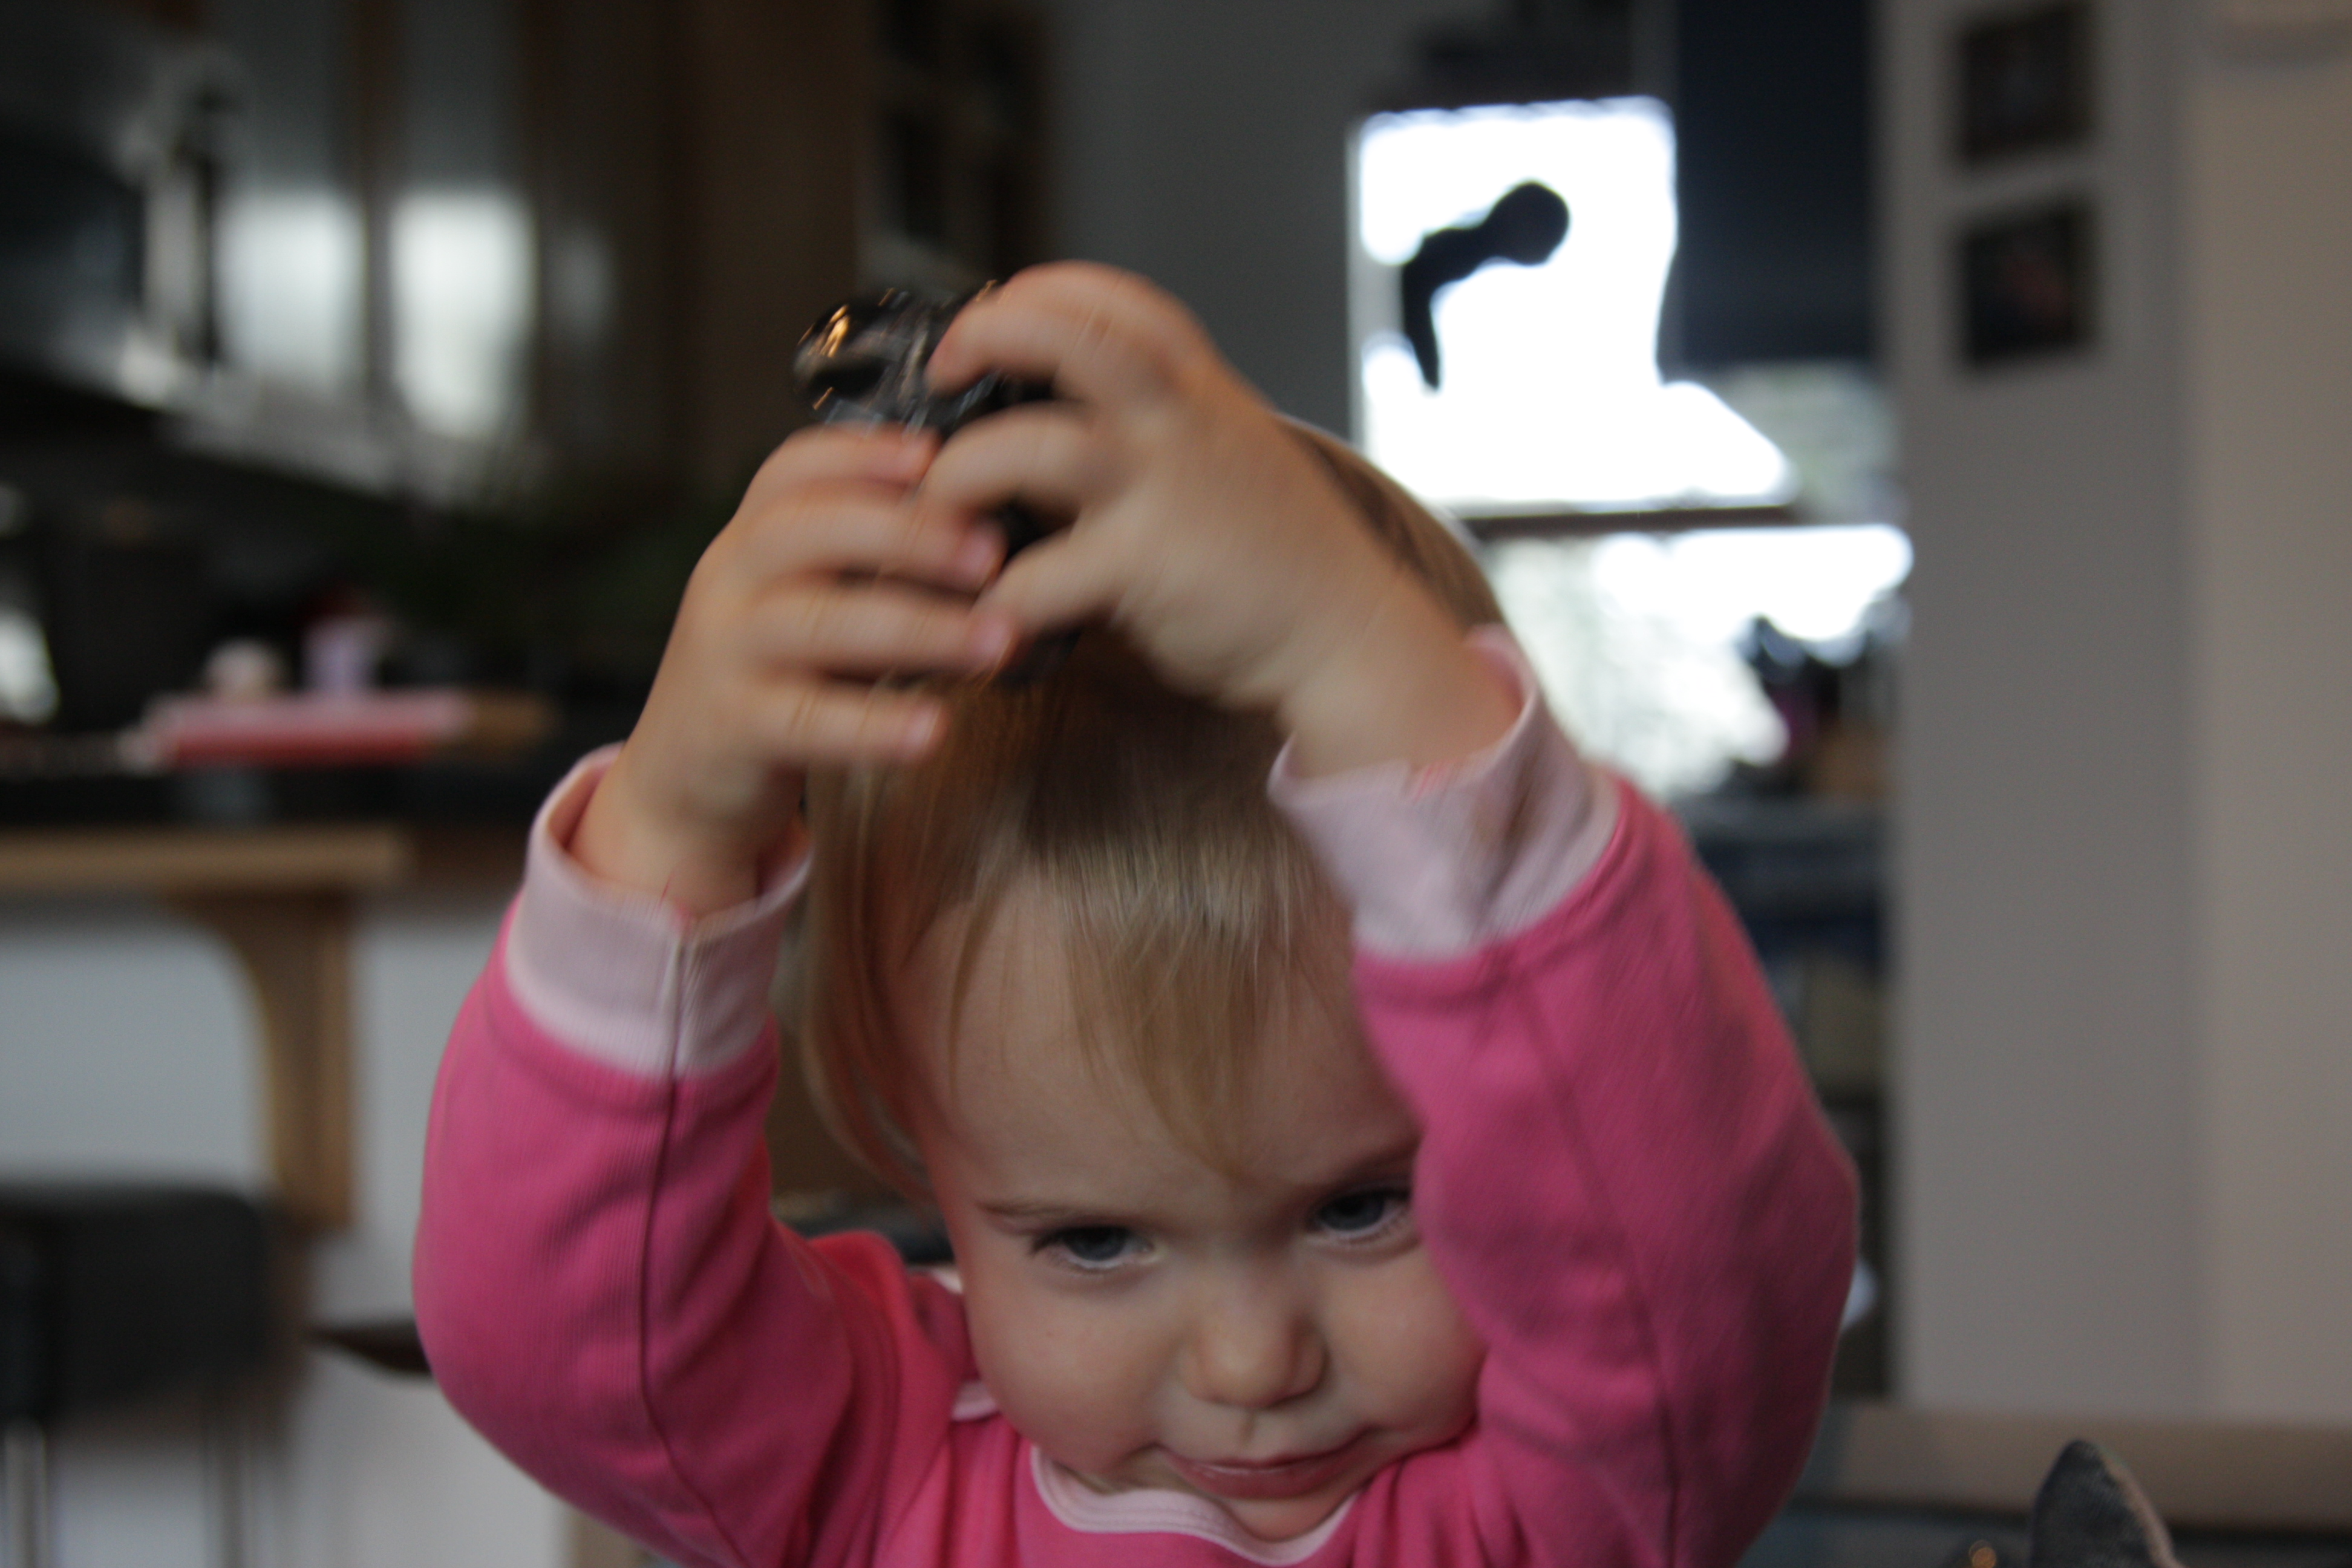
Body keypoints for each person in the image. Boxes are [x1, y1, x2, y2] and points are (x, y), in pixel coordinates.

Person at [414, 263, 1856, 1567]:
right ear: (917, 1134)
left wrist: (1368, 666)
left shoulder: (1558, 1518)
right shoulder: (876, 1465)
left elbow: (1702, 1300)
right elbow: (559, 1350)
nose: (1252, 1366)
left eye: (1363, 1207)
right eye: (1095, 1243)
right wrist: (666, 833)